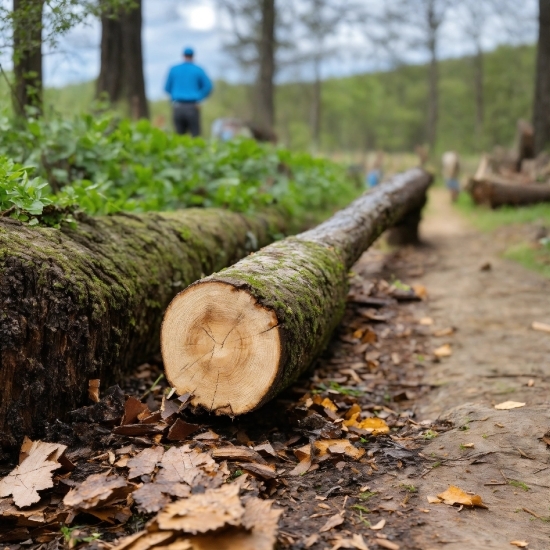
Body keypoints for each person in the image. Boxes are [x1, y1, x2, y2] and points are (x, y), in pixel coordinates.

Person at [164, 47, 213, 137]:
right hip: (192, 106)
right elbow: (208, 86)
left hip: (177, 106)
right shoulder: (198, 70)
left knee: (179, 137)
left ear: (183, 55)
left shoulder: (174, 69)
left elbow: (167, 88)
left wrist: (174, 98)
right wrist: (199, 97)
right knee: (195, 137)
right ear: (193, 56)